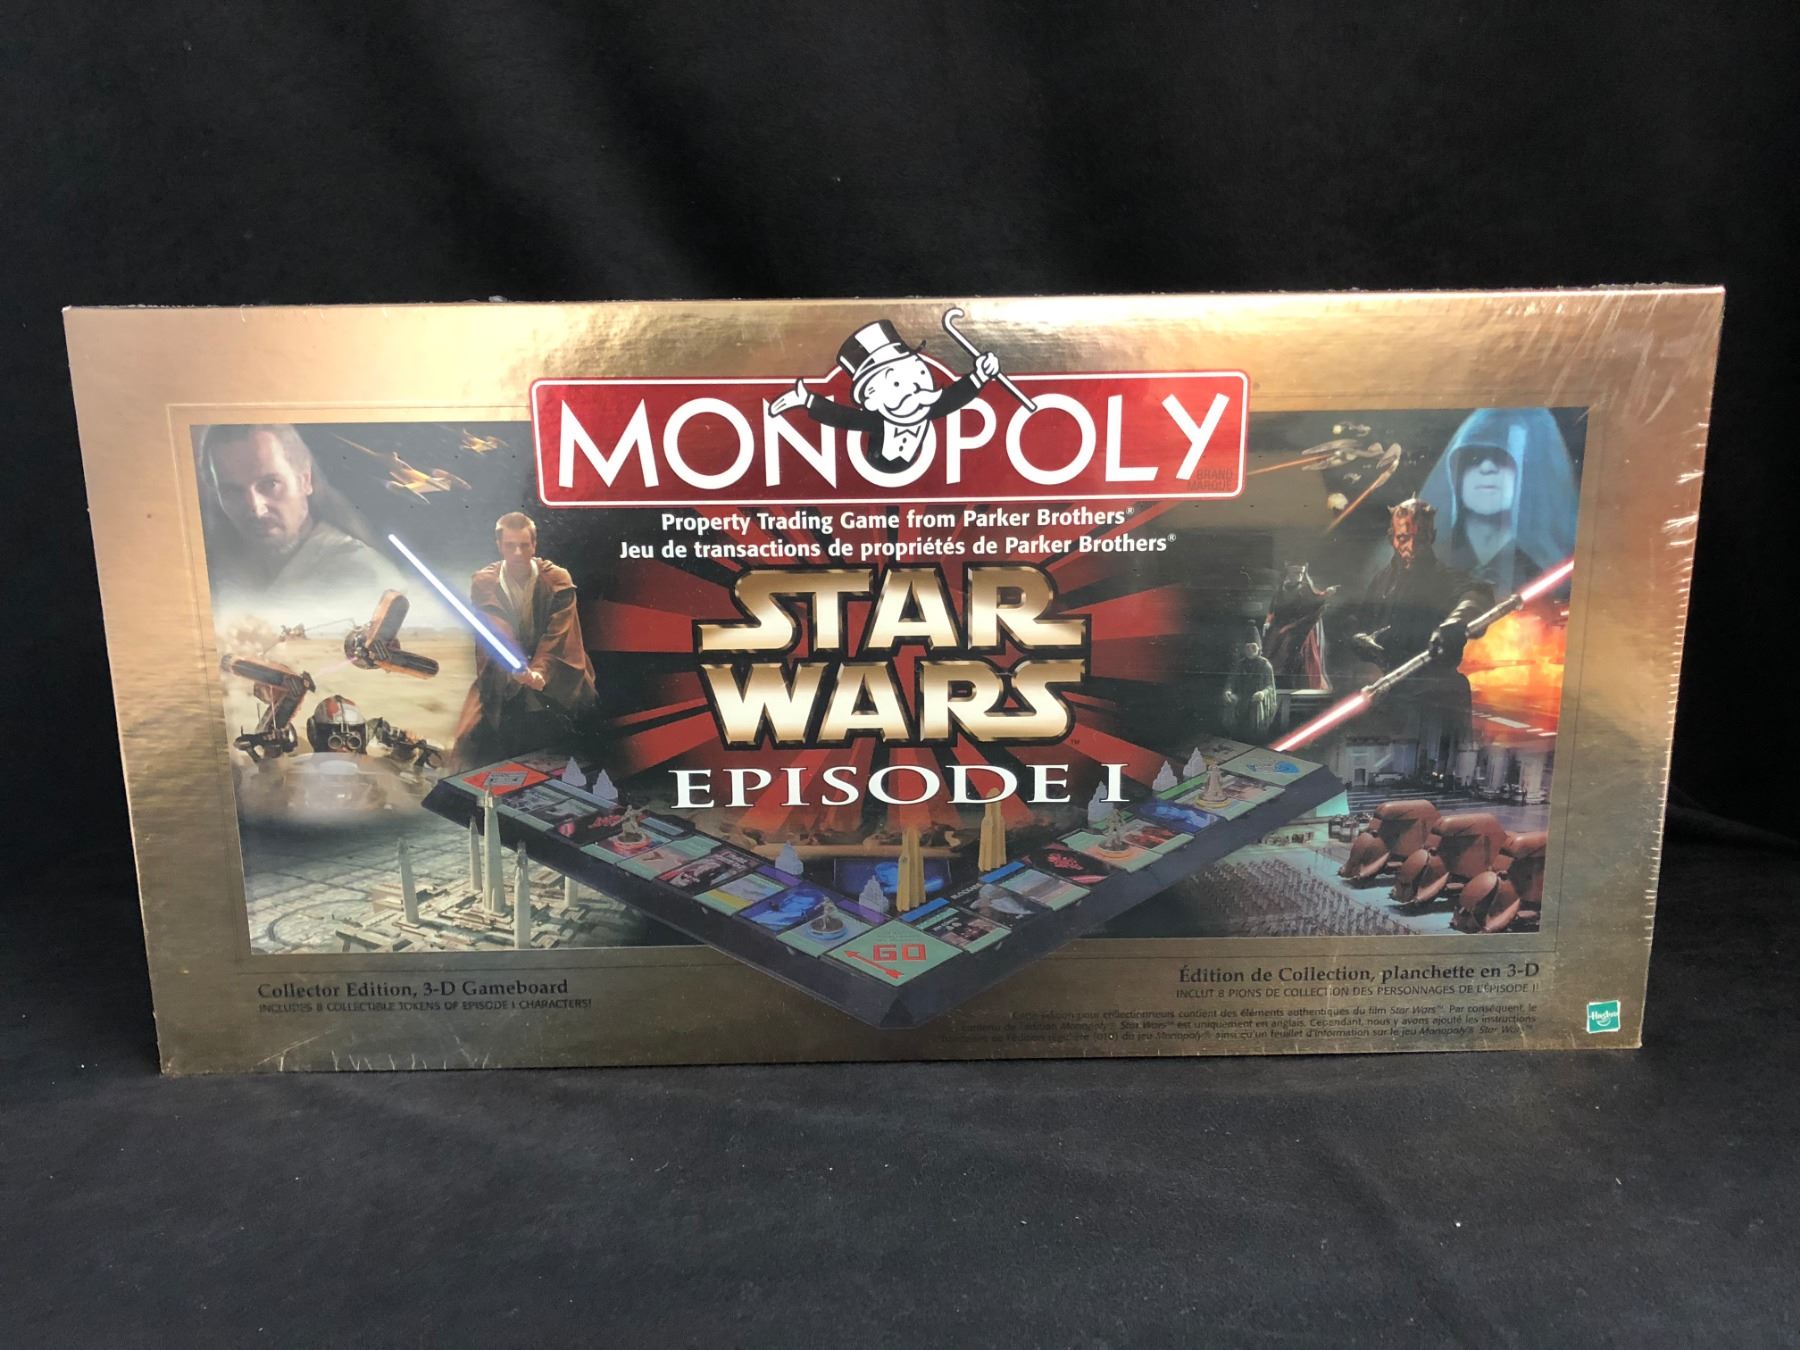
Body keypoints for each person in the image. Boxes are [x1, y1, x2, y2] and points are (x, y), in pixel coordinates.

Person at [451, 512, 598, 768]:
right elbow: (498, 628)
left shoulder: (557, 579)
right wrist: (516, 667)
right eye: (510, 546)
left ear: (534, 545)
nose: (518, 553)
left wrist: (540, 672)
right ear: (500, 546)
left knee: (584, 740)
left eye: (524, 545)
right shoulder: (485, 581)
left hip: (558, 671)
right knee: (467, 745)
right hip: (503, 671)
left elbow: (559, 633)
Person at [1346, 499, 1493, 740]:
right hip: (1391, 693)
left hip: (1438, 696)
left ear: (1431, 537)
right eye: (1404, 538)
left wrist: (1456, 622)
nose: (1412, 547)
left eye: (1421, 539)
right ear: (1392, 537)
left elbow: (1475, 596)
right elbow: (1360, 623)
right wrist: (1360, 640)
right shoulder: (1380, 582)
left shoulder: (1445, 578)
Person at [199, 423, 390, 601]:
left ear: (304, 480)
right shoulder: (217, 575)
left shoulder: (365, 578)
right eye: (232, 491)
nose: (257, 509)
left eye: (271, 484)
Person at [769, 319, 1000, 464]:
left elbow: (954, 398)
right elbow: (844, 417)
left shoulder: (930, 406)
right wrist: (808, 400)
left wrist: (981, 374)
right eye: (897, 384)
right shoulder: (876, 422)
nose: (915, 388)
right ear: (871, 399)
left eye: (920, 373)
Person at [1419, 408, 1578, 595]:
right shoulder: (1425, 560)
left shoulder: (1554, 572)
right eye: (1474, 457)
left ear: (1530, 472)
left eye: (1503, 457)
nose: (1487, 467)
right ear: (1454, 472)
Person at [1262, 563, 1336, 691]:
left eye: (1301, 573)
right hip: (1281, 625)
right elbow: (1273, 609)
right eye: (1296, 572)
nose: (1299, 575)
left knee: (1296, 651)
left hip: (1300, 627)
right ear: (1288, 573)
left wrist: (1326, 594)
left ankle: (1296, 684)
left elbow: (1316, 600)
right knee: (1274, 649)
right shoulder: (1281, 588)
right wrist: (1268, 621)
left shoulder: (1305, 589)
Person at [1220, 624, 1278, 741]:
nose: (1250, 650)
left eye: (1253, 647)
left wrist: (1262, 693)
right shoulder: (1239, 664)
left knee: (1256, 705)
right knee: (1232, 701)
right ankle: (1234, 736)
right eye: (1247, 647)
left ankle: (1256, 738)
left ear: (1259, 648)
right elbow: (1231, 681)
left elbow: (1270, 687)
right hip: (1241, 697)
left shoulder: (1265, 665)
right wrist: (1228, 691)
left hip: (1257, 699)